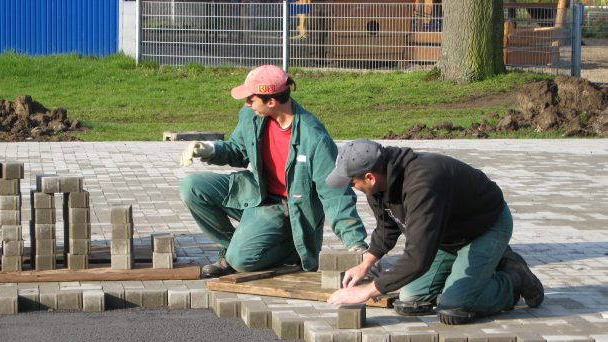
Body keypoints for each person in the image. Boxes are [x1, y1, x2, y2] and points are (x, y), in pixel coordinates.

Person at [325, 139, 544, 325]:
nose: (352, 186)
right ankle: (471, 272)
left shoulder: (422, 185)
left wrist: (367, 291)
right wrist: (366, 264)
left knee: (454, 306)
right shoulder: (380, 181)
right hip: (446, 234)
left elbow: (418, 258)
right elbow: (388, 225)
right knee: (410, 300)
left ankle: (514, 279)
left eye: (352, 182)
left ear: (370, 176)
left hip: (485, 226)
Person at [179, 65, 367, 278]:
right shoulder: (252, 115)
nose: (247, 104)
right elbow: (238, 150)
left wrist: (356, 244)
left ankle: (292, 250)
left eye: (251, 99)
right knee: (192, 187)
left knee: (242, 260)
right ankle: (230, 250)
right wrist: (210, 149)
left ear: (271, 101)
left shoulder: (313, 138)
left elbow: (335, 194)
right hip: (257, 192)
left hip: (289, 209)